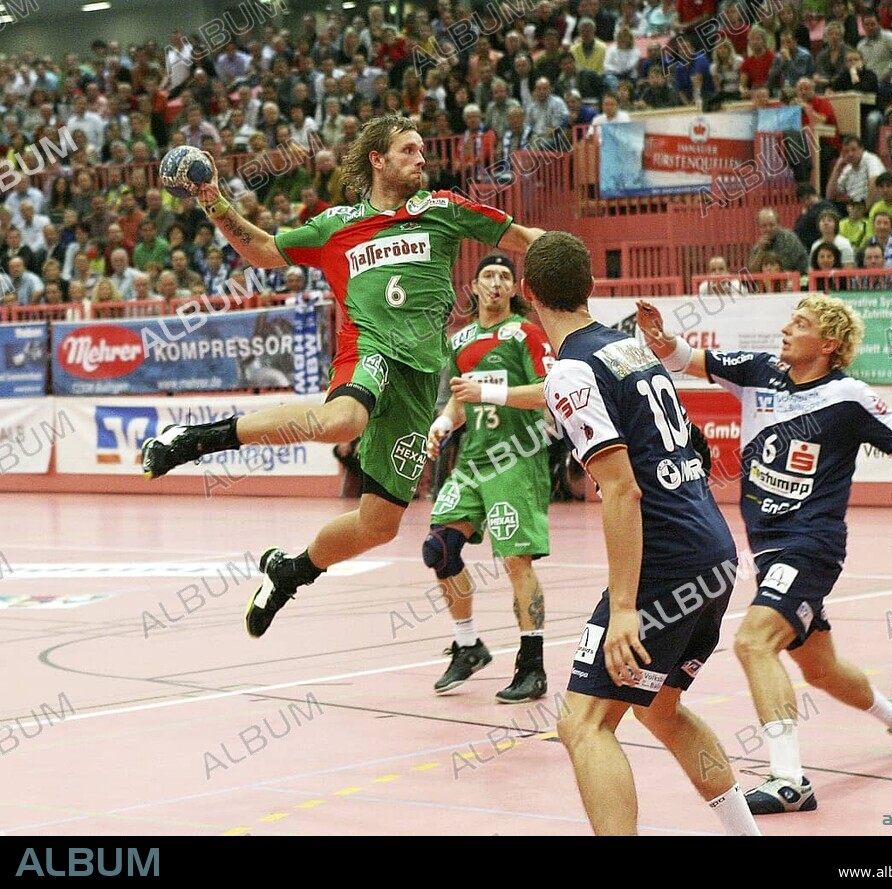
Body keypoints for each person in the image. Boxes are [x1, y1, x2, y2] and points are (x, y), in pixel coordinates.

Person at [140, 115, 545, 638]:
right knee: (343, 420)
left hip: (419, 378)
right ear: (377, 160)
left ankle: (290, 572)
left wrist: (567, 267)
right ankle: (194, 439)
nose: (421, 158)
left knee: (379, 525)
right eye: (408, 150)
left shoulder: (444, 209)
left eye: (422, 149)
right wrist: (214, 201)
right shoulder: (336, 225)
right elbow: (263, 250)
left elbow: (528, 238)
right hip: (368, 349)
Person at [635, 294, 892, 816]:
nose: (787, 329)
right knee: (821, 670)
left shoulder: (849, 397)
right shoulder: (757, 372)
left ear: (829, 343)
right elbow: (683, 358)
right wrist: (662, 342)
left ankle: (789, 780)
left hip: (811, 545)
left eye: (801, 323)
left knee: (753, 643)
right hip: (769, 550)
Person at [523, 230, 760, 838]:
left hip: (665, 561)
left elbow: (622, 490)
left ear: (528, 293)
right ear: (591, 287)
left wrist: (625, 607)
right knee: (659, 707)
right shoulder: (629, 349)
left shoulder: (571, 370)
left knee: (584, 723)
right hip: (712, 548)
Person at [424, 253, 554, 703]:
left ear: (514, 288)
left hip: (516, 460)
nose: (495, 283)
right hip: (473, 461)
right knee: (439, 548)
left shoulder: (526, 333)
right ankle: (468, 645)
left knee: (516, 561)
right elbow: (460, 399)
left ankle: (532, 666)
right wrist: (443, 425)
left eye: (503, 276)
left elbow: (548, 392)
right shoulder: (460, 341)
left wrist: (489, 391)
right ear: (476, 286)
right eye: (487, 276)